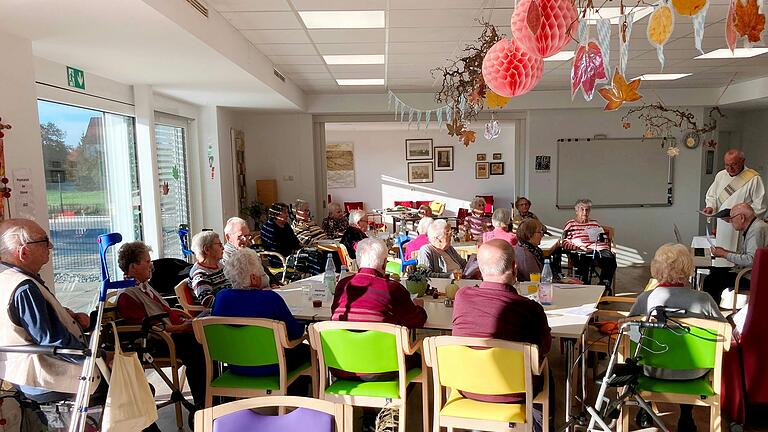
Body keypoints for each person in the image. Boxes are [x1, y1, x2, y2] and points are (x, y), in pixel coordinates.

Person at [452, 239, 552, 431]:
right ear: (515, 268)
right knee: (546, 371)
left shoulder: (461, 297)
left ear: (479, 270)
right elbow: (544, 349)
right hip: (514, 392)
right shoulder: (529, 308)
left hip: (467, 387)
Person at [0, 219, 100, 403]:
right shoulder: (24, 288)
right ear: (23, 252)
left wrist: (70, 319)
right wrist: (97, 357)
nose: (51, 246)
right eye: (44, 241)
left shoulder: (7, 278)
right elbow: (54, 341)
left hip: (23, 376)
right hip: (50, 378)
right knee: (130, 389)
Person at [629, 243, 725, 432]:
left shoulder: (645, 299)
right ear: (688, 268)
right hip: (694, 372)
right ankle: (686, 415)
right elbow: (724, 334)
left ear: (656, 267)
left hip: (653, 371)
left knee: (641, 354)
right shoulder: (704, 299)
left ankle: (645, 407)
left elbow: (631, 336)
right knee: (686, 355)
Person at [116, 241, 206, 408]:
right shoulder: (127, 295)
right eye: (148, 262)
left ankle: (214, 397)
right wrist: (182, 327)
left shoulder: (145, 287)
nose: (151, 266)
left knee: (209, 330)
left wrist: (185, 323)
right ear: (133, 266)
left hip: (173, 332)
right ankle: (203, 404)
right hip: (160, 342)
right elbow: (147, 327)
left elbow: (164, 312)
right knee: (198, 347)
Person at [213, 248, 309, 377]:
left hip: (235, 364)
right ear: (253, 278)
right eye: (262, 273)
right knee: (310, 352)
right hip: (274, 365)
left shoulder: (221, 298)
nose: (264, 276)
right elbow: (295, 333)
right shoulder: (270, 298)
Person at [702, 149, 767, 251]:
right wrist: (710, 206)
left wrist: (741, 218)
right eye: (727, 165)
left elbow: (761, 205)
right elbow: (712, 195)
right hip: (724, 224)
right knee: (722, 255)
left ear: (743, 161)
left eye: (734, 164)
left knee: (738, 256)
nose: (730, 168)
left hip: (742, 226)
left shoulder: (753, 179)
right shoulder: (721, 175)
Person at [704, 203, 768, 303]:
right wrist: (725, 252)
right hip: (748, 272)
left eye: (732, 218)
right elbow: (747, 255)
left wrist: (724, 254)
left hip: (754, 277)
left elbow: (751, 260)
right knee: (714, 272)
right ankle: (712, 311)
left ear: (742, 217)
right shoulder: (754, 226)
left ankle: (712, 314)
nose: (730, 222)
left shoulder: (757, 229)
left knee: (712, 280)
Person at [560, 199, 617, 290]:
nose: (585, 212)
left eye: (587, 210)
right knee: (583, 261)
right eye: (582, 209)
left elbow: (604, 240)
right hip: (580, 250)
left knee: (610, 259)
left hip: (598, 249)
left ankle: (604, 287)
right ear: (576, 211)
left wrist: (601, 246)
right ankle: (584, 287)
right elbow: (564, 242)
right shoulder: (570, 224)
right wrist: (578, 247)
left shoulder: (595, 223)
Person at [223, 216, 280, 286]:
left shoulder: (249, 253)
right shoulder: (225, 256)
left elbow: (266, 278)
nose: (245, 240)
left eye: (247, 236)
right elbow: (236, 284)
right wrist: (259, 282)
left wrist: (266, 283)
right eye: (240, 236)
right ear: (228, 237)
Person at [189, 231, 230, 305]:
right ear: (207, 249)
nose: (223, 248)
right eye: (219, 245)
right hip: (217, 313)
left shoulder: (220, 266)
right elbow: (208, 301)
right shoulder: (199, 274)